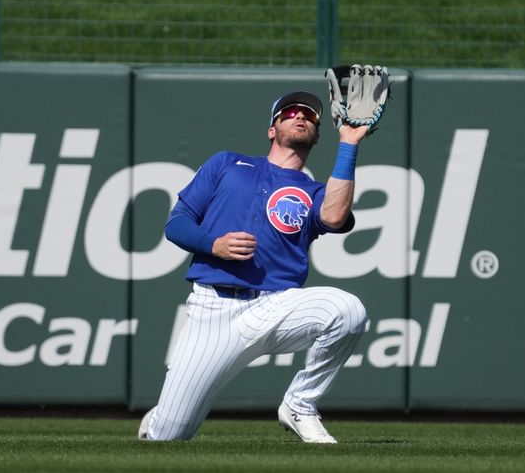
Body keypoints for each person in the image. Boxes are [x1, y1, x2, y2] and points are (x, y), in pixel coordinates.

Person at [138, 90, 370, 444]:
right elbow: (177, 223)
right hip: (213, 310)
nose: (300, 116)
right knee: (168, 436)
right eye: (290, 111)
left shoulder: (313, 191)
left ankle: (300, 405)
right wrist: (212, 244)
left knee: (348, 310)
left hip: (275, 306)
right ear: (271, 129)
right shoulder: (227, 164)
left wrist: (349, 142)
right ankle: (166, 413)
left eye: (310, 115)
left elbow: (336, 216)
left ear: (318, 135)